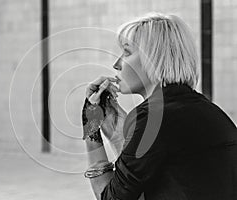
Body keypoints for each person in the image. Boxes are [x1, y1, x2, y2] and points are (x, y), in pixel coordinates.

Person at [81, 13, 237, 200]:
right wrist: (119, 135)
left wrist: (91, 127)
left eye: (127, 52)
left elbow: (111, 198)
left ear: (154, 58)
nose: (117, 64)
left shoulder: (154, 118)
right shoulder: (207, 110)